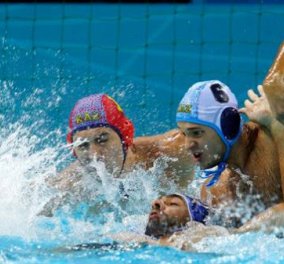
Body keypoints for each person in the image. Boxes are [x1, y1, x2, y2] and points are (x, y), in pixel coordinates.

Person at [42, 94, 194, 216]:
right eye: (83, 145)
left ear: (125, 138)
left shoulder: (168, 153)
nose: (94, 154)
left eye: (102, 140)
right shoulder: (69, 184)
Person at [176, 74, 284, 227]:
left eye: (197, 133)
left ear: (228, 125)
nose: (188, 144)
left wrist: (277, 125)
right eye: (184, 133)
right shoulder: (216, 192)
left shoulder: (273, 139)